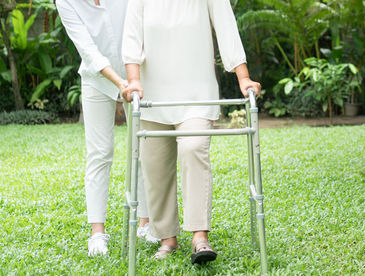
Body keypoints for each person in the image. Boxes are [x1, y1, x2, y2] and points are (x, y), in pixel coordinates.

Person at [121, 0, 261, 263]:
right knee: (156, 166)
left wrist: (243, 77)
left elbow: (227, 27)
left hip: (197, 94)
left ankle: (199, 236)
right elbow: (131, 39)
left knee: (193, 147)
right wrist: (134, 80)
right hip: (153, 95)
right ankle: (167, 238)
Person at [55, 0, 159, 256]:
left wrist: (131, 79)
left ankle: (144, 223)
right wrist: (119, 82)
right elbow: (88, 50)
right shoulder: (65, 2)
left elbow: (140, 25)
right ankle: (97, 233)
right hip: (96, 78)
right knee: (99, 153)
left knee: (144, 147)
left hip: (138, 73)